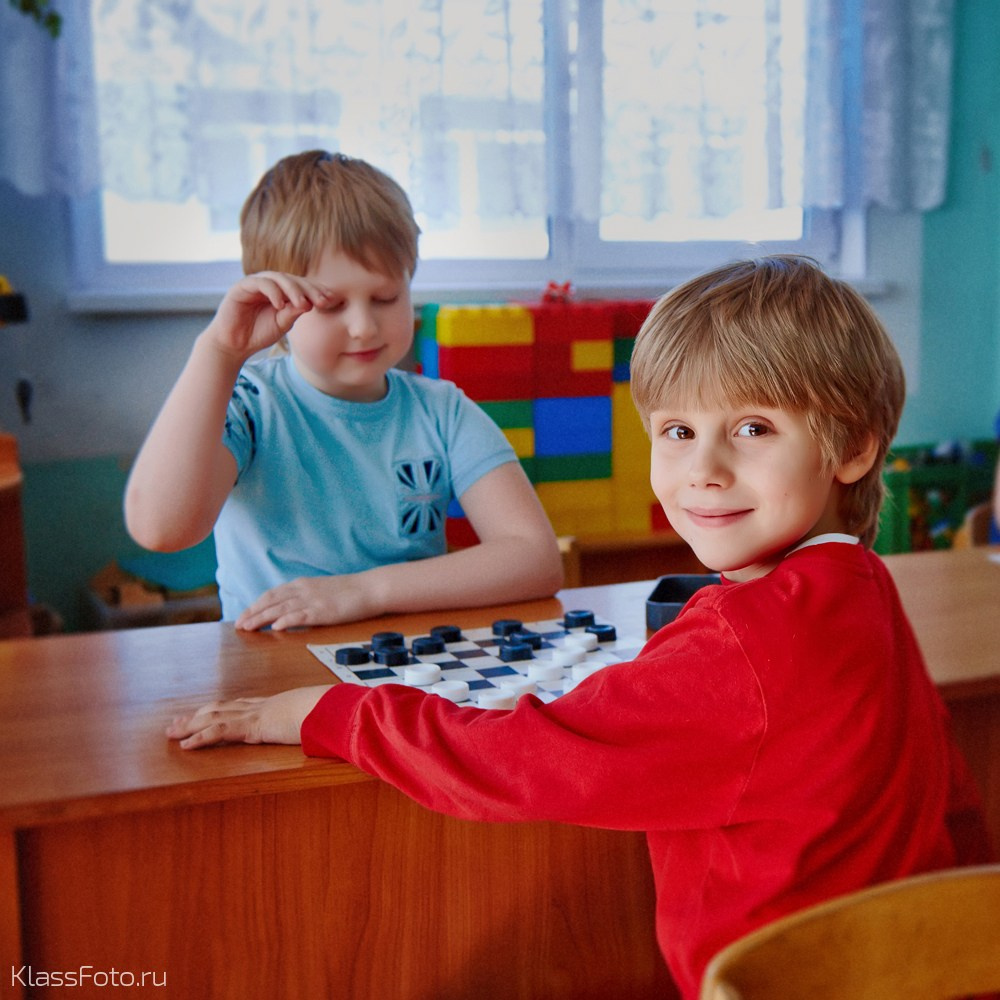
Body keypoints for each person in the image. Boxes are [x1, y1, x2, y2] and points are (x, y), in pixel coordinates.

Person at [166, 256, 992, 998]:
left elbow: (519, 760)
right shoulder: (861, 584)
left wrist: (321, 713)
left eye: (753, 429)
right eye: (678, 431)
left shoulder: (745, 643)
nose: (703, 469)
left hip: (780, 977)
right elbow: (943, 778)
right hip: (921, 964)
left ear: (851, 448)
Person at [125, 151, 563, 630]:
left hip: (404, 669)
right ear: (274, 301)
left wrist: (364, 591)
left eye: (385, 298)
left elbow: (536, 560)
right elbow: (161, 529)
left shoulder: (442, 411)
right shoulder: (251, 405)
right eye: (330, 305)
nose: (362, 327)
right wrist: (217, 353)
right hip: (276, 674)